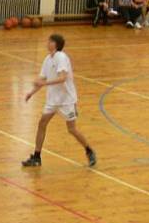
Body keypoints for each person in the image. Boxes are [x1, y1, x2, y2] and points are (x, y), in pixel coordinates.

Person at [23, 34, 97, 168]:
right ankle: (37, 156)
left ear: (55, 44)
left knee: (72, 129)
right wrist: (31, 93)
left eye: (50, 41)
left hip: (66, 100)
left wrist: (44, 85)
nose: (47, 43)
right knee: (42, 123)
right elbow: (42, 80)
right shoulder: (47, 59)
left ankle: (89, 150)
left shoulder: (61, 57)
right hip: (53, 100)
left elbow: (62, 78)